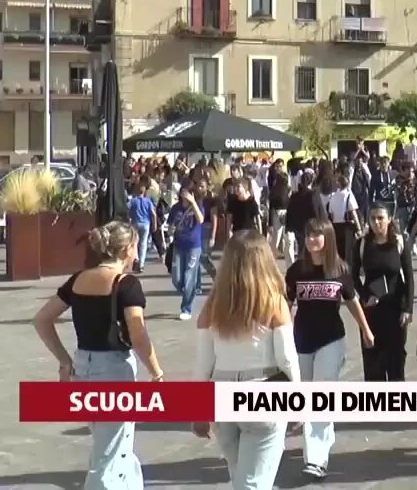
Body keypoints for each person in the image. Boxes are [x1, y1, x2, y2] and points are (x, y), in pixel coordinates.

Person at [32, 221, 165, 489]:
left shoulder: (79, 279)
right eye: (136, 247)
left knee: (114, 446)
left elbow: (42, 319)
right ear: (128, 249)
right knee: (110, 456)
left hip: (84, 367)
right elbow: (137, 334)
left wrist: (64, 361)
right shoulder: (126, 285)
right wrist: (156, 371)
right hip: (114, 370)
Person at [192, 231, 299, 490]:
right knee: (253, 483)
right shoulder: (273, 302)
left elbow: (203, 364)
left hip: (221, 393)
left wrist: (198, 409)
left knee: (239, 475)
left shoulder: (213, 305)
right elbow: (287, 358)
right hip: (262, 389)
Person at [285, 218, 375, 478]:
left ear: (327, 238)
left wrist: (366, 329)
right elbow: (285, 305)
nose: (312, 240)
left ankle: (315, 459)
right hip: (301, 341)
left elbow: (352, 301)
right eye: (309, 236)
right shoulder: (296, 271)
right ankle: (321, 443)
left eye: (317, 235)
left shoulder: (340, 270)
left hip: (331, 340)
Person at [353, 204, 412, 381]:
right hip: (372, 311)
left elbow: (409, 278)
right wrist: (364, 296)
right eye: (373, 218)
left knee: (396, 364)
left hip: (395, 310)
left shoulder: (399, 242)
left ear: (389, 219)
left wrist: (407, 309)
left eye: (380, 218)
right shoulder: (362, 244)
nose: (377, 222)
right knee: (373, 365)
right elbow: (353, 276)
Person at [166, 183, 206, 320]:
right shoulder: (175, 208)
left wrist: (193, 202)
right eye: (184, 192)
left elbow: (200, 219)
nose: (186, 195)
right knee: (177, 279)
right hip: (178, 245)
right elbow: (170, 225)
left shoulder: (198, 206)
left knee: (190, 276)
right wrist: (170, 231)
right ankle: (188, 291)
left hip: (194, 246)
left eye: (189, 193)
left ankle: (186, 308)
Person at [128, 180, 157, 273]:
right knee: (143, 244)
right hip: (146, 224)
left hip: (135, 223)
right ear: (145, 192)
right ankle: (141, 264)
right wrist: (155, 224)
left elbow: (126, 209)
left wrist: (129, 218)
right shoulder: (148, 201)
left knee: (135, 243)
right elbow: (153, 214)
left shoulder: (133, 201)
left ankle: (136, 259)